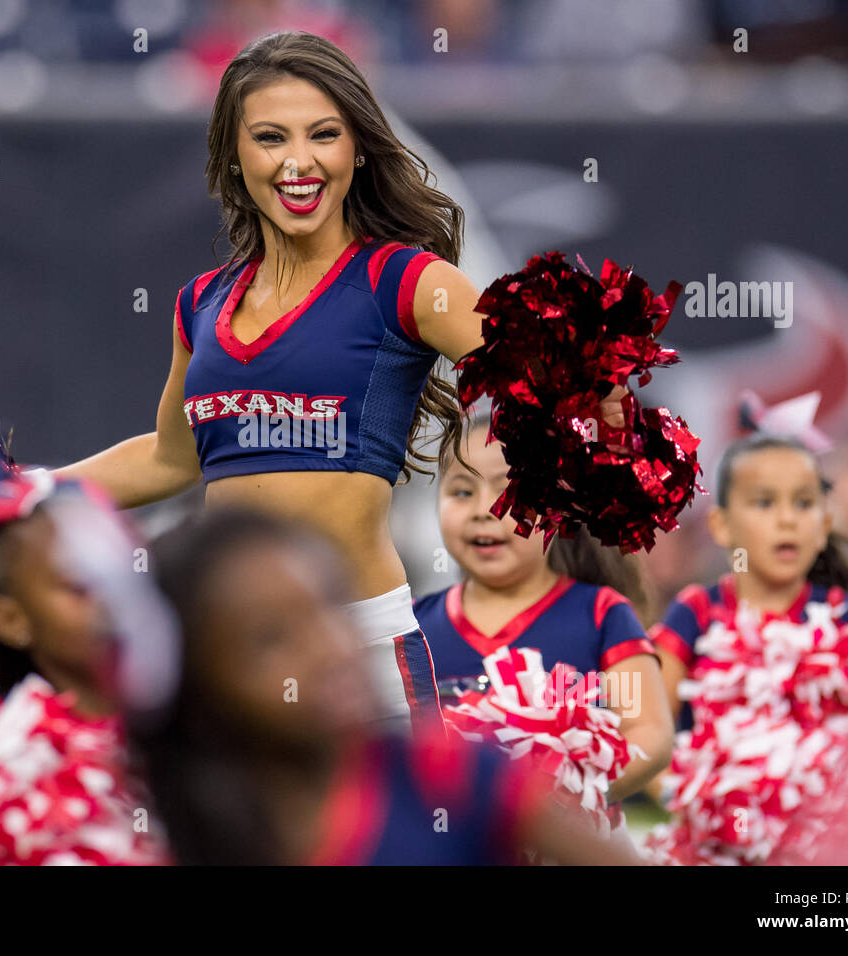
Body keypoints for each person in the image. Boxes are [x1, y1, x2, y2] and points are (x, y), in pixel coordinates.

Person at [49, 30, 627, 735]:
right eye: (269, 138)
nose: (299, 162)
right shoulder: (200, 302)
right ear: (235, 155)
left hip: (361, 647)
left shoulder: (406, 282)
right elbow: (171, 457)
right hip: (226, 642)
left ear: (358, 148)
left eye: (323, 135)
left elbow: (555, 382)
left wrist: (601, 409)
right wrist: (27, 495)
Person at [128, 505, 645, 865]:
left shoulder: (446, 776)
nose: (329, 648)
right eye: (272, 640)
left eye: (332, 606)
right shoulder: (174, 834)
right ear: (194, 690)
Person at [646, 430, 848, 864]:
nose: (787, 520)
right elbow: (645, 730)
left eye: (803, 503)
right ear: (721, 525)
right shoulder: (697, 613)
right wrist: (695, 798)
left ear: (824, 524)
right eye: (763, 502)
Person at [0, 454, 174, 865]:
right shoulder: (2, 776)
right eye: (79, 585)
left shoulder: (195, 729)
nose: (113, 601)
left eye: (121, 572)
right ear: (10, 619)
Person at [413, 411, 673, 804]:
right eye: (463, 492)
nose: (485, 510)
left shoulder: (603, 614)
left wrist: (575, 800)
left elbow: (649, 734)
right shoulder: (411, 625)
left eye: (510, 491)